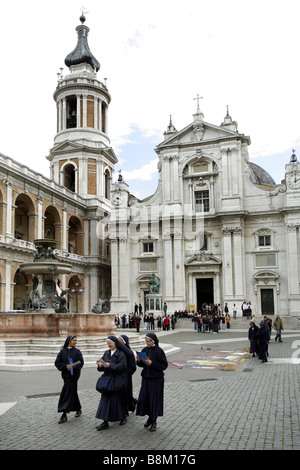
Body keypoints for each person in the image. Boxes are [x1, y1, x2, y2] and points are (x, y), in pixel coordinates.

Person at [136, 332, 168, 432]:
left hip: (156, 379)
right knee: (145, 399)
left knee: (154, 399)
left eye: (148, 342)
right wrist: (139, 361)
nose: (147, 343)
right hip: (146, 378)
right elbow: (141, 365)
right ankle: (150, 418)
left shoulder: (159, 351)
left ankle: (154, 421)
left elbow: (164, 366)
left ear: (153, 341)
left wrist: (152, 363)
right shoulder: (144, 350)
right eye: (146, 342)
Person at [95, 335, 128, 430]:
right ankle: (105, 421)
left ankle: (122, 416)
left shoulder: (121, 354)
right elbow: (102, 365)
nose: (108, 345)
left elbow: (122, 366)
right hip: (107, 380)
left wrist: (111, 365)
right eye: (107, 344)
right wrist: (100, 365)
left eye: (110, 343)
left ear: (115, 343)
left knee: (117, 400)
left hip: (116, 380)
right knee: (105, 401)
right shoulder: (106, 353)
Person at [54, 335, 84, 424]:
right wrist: (65, 366)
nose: (75, 342)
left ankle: (64, 414)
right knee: (73, 392)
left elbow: (81, 363)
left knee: (66, 393)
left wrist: (75, 366)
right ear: (69, 341)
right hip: (66, 376)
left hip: (74, 376)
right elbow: (57, 363)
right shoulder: (62, 352)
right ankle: (78, 408)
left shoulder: (77, 352)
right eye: (74, 340)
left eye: (76, 340)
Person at [117, 334, 137, 415]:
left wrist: (126, 373)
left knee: (127, 393)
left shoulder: (129, 352)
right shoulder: (117, 351)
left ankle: (129, 407)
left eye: (120, 341)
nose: (118, 342)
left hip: (126, 377)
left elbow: (133, 367)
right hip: (119, 376)